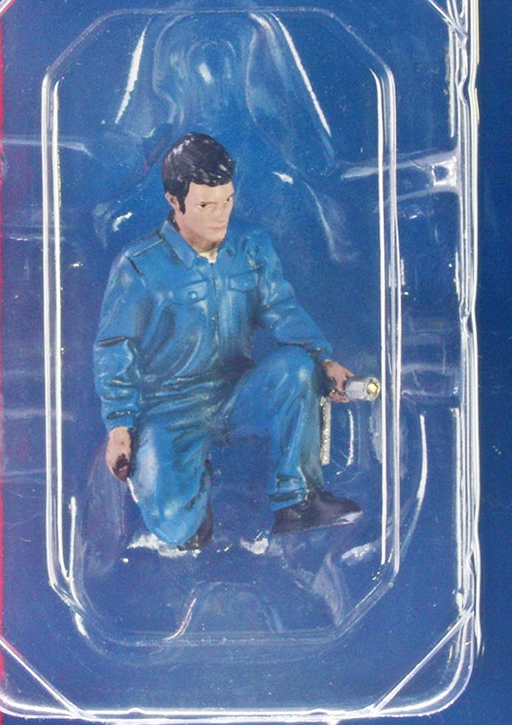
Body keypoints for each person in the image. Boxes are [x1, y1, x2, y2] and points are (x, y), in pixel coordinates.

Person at [93, 133, 363, 549]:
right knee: (174, 528)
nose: (220, 215)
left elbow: (282, 310)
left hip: (238, 391)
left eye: (227, 201)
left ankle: (297, 498)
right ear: (174, 201)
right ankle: (189, 499)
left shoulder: (251, 248)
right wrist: (120, 427)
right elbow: (116, 348)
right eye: (206, 205)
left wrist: (323, 361)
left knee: (297, 368)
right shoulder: (139, 267)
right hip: (170, 407)